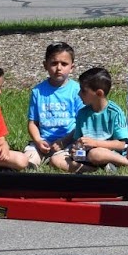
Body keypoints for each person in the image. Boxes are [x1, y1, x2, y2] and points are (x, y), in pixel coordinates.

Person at [62, 66, 128, 172]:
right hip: (86, 154)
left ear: (99, 93)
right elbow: (78, 140)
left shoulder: (114, 112)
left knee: (95, 154)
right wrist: (76, 149)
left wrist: (95, 143)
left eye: (83, 91)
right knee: (56, 159)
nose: (79, 94)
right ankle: (93, 169)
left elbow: (122, 144)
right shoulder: (82, 113)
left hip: (106, 153)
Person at [27, 41, 81, 169]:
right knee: (28, 159)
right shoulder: (38, 91)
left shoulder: (77, 90)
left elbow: (81, 123)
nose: (59, 68)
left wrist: (64, 141)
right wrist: (38, 140)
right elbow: (32, 122)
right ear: (45, 65)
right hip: (43, 142)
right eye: (54, 63)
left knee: (57, 161)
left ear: (72, 67)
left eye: (64, 64)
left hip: (69, 141)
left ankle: (90, 168)